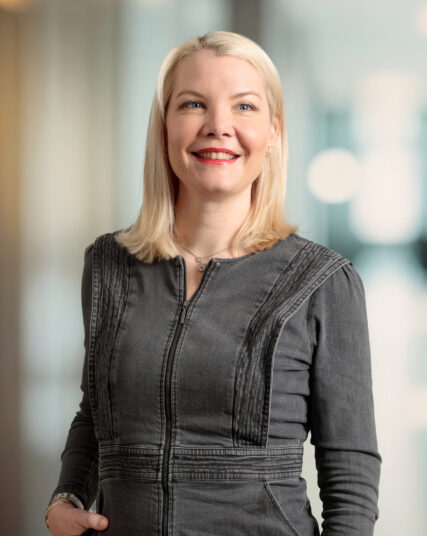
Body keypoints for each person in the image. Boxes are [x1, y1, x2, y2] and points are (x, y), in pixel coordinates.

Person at [45, 30, 382, 536]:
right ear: (164, 128)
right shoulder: (108, 264)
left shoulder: (323, 283)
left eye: (244, 107)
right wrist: (65, 496)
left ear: (273, 132)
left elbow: (350, 475)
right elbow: (96, 413)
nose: (218, 126)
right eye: (194, 104)